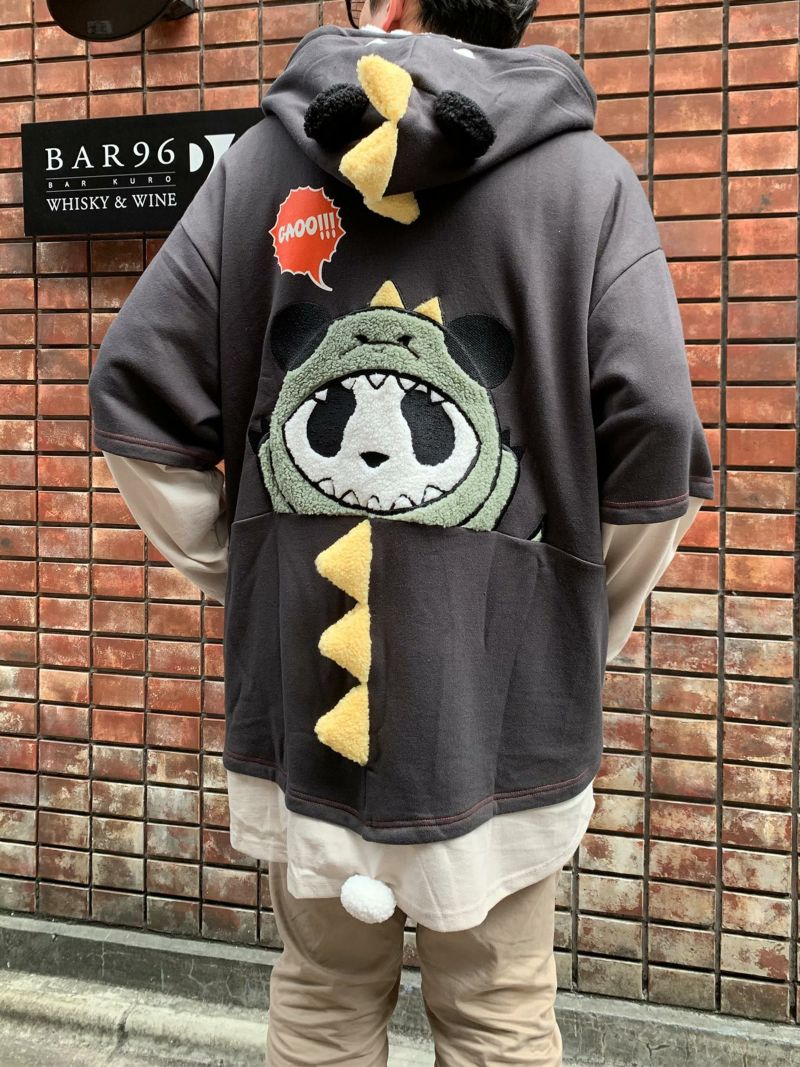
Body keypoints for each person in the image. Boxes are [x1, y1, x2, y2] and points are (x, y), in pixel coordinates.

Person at [87, 1, 715, 1063]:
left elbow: (136, 397)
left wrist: (253, 571)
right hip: (505, 715)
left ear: (386, 6)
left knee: (322, 1002)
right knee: (499, 1015)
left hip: (305, 707)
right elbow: (655, 443)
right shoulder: (586, 183)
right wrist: (565, 614)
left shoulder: (257, 169)